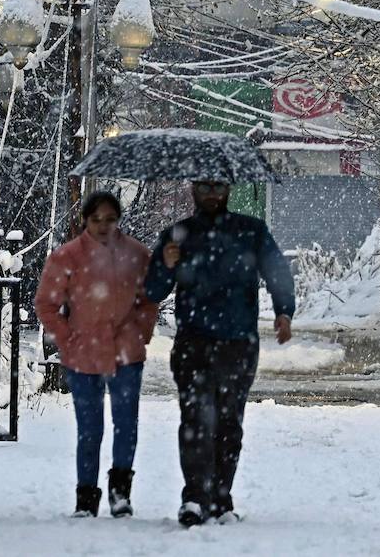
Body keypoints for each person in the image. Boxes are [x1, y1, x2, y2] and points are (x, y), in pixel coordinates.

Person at [144, 179, 296, 527]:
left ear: (228, 189)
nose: (212, 194)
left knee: (229, 423)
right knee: (195, 421)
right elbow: (153, 290)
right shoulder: (178, 235)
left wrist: (284, 311)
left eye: (219, 187)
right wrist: (166, 264)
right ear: (193, 189)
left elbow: (277, 271)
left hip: (237, 344)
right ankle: (194, 498)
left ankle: (220, 499)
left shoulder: (250, 231)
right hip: (193, 344)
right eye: (205, 187)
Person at [34, 190, 158, 519]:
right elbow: (46, 304)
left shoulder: (136, 254)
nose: (103, 226)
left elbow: (149, 299)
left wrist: (141, 332)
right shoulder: (67, 257)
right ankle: (86, 497)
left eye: (110, 219)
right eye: (96, 219)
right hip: (83, 353)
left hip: (126, 351)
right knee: (89, 429)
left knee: (126, 424)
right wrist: (68, 338)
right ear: (85, 220)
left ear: (119, 220)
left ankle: (120, 494)